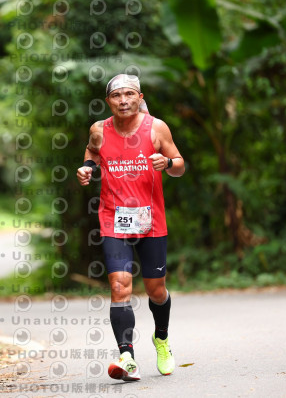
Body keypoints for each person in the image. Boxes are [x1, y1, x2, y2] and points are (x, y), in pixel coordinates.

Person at [76, 74, 185, 381]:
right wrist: (87, 168)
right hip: (114, 218)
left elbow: (179, 164)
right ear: (108, 101)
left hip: (151, 220)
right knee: (119, 286)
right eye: (116, 96)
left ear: (140, 97)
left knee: (156, 290)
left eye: (129, 94)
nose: (123, 100)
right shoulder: (99, 130)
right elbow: (92, 153)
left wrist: (168, 164)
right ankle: (127, 357)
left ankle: (161, 338)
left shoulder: (156, 128)